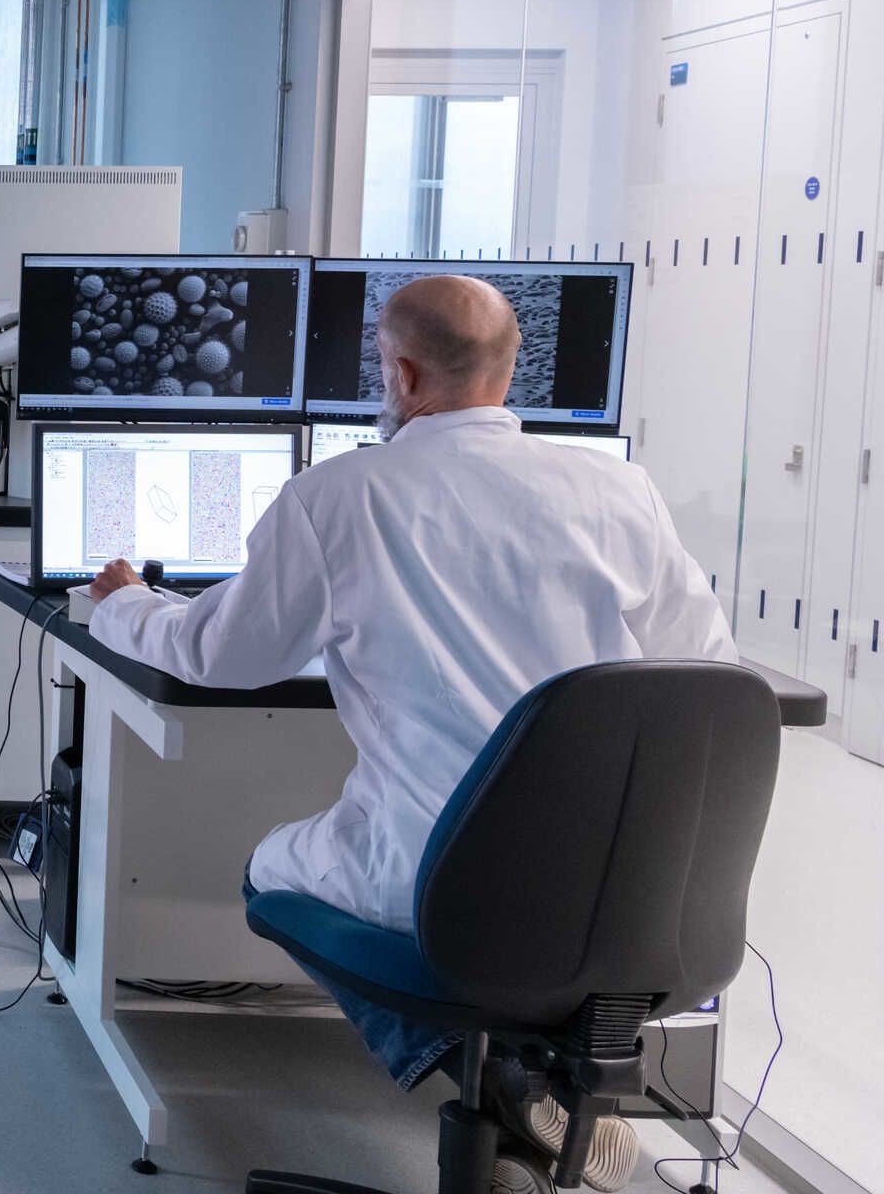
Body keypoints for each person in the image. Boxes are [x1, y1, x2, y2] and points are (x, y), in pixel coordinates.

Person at [85, 275, 735, 1194]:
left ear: (401, 373)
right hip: (624, 895)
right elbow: (708, 672)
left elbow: (216, 653)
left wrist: (125, 605)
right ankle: (529, 1070)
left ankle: (499, 1076)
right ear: (511, 369)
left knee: (269, 870)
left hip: (442, 888)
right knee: (482, 893)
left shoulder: (341, 495)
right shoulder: (620, 490)